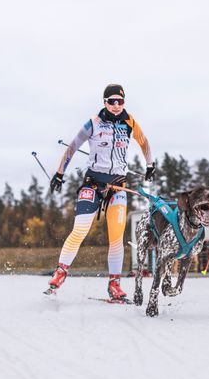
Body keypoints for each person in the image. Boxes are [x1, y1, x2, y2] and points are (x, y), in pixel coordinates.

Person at [47, 84, 155, 300]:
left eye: (120, 101)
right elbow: (72, 147)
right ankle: (60, 272)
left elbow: (144, 142)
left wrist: (150, 165)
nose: (116, 106)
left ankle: (114, 284)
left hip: (118, 187)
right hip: (93, 184)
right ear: (104, 102)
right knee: (80, 229)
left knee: (116, 237)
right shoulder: (94, 123)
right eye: (111, 101)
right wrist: (59, 173)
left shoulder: (130, 122)